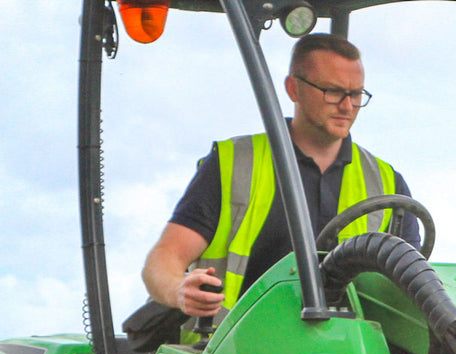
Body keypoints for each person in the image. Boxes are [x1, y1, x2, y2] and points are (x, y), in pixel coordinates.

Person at [142, 33, 419, 319]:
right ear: (293, 89)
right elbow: (164, 259)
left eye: (356, 94)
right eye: (333, 91)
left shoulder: (387, 183)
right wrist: (179, 289)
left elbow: (412, 287)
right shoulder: (234, 164)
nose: (347, 106)